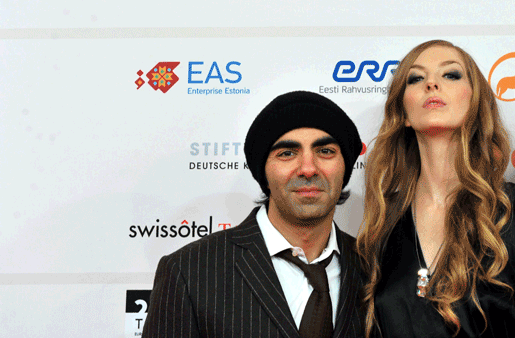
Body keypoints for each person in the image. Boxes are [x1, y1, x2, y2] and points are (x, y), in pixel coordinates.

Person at [357, 39, 515, 338]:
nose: (431, 84)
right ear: (402, 113)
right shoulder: (382, 219)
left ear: (475, 100)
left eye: (450, 75)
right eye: (416, 78)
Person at [143, 91, 365, 338]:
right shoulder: (189, 271)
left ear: (345, 167)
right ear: (264, 173)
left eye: (325, 151)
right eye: (287, 153)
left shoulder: (375, 268)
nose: (308, 169)